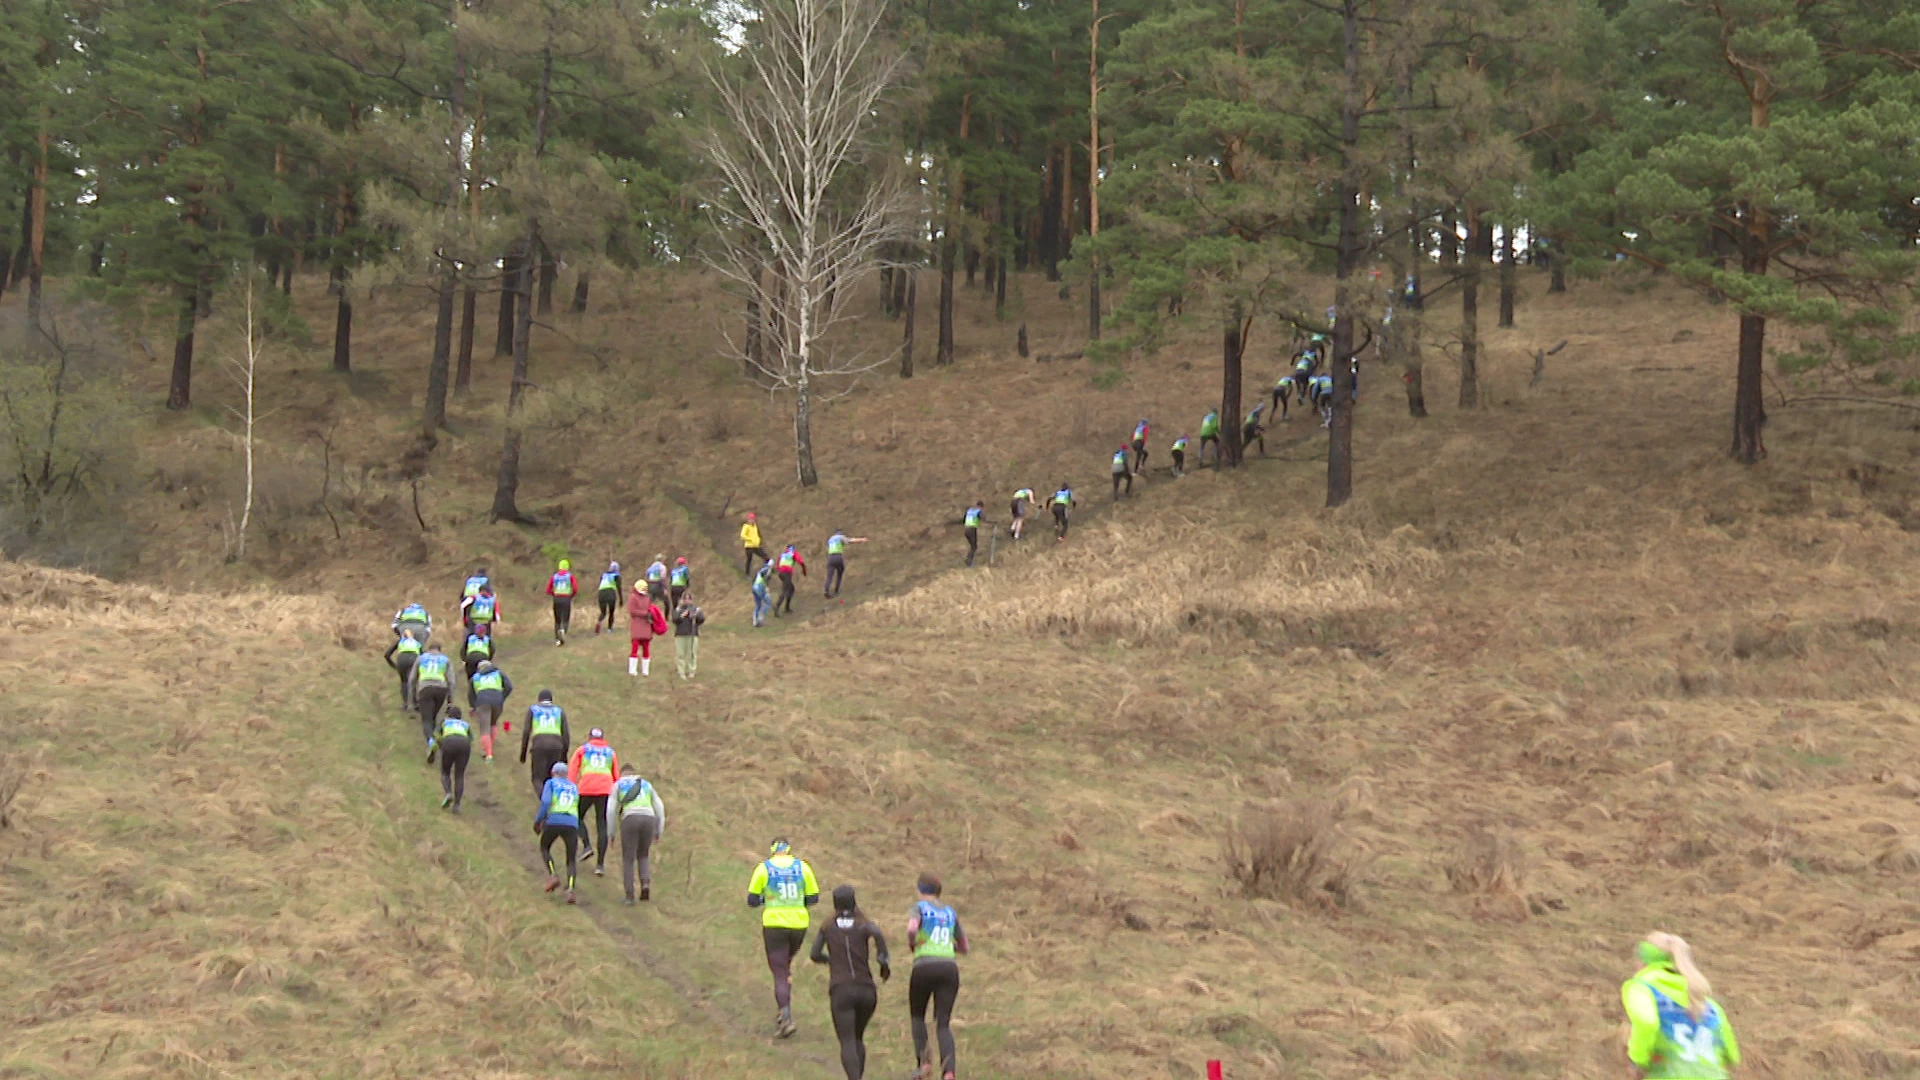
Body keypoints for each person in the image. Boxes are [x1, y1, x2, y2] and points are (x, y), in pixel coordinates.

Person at [1622, 932, 1740, 1079]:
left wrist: (1637, 1061)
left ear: (1641, 961)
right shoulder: (1708, 1004)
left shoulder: (1642, 988)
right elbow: (1732, 1056)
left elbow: (1647, 1022)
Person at [810, 884, 890, 1080]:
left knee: (847, 1041)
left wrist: (830, 961)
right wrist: (883, 961)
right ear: (854, 902)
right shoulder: (864, 924)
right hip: (866, 990)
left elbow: (814, 954)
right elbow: (877, 933)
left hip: (841, 989)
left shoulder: (827, 927)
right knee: (858, 1038)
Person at [746, 838, 820, 1038]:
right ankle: (783, 1008)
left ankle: (786, 1017)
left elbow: (752, 901)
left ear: (772, 851)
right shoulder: (802, 867)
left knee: (779, 971)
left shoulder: (764, 868)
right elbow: (813, 898)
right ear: (788, 850)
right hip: (799, 924)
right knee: (785, 966)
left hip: (774, 924)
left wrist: (768, 898)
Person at [905, 873, 969, 1080]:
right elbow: (964, 946)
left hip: (924, 966)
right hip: (949, 968)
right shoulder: (950, 913)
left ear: (920, 890)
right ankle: (949, 1072)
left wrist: (912, 943)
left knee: (917, 1016)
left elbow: (912, 928)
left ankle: (924, 1063)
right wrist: (949, 948)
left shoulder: (919, 908)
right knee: (943, 1023)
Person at [569, 727, 619, 876]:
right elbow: (616, 776)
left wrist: (571, 788)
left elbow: (572, 771)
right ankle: (600, 865)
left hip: (586, 788)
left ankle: (586, 845)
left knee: (575, 815)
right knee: (601, 824)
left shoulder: (582, 750)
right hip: (605, 789)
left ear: (589, 737)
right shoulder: (611, 752)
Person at [614, 765, 665, 905]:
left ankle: (629, 895)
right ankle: (645, 884)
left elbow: (610, 809)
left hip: (630, 818)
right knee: (643, 854)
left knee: (628, 858)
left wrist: (611, 832)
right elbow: (659, 807)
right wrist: (659, 830)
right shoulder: (646, 784)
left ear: (622, 774)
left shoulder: (619, 784)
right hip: (649, 818)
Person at [534, 761, 581, 904]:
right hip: (571, 822)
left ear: (553, 773)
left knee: (545, 847)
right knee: (571, 858)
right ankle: (571, 889)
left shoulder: (551, 783)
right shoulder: (573, 787)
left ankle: (553, 875)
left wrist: (539, 820)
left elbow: (546, 802)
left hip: (554, 819)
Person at [519, 689, 571, 796]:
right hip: (557, 746)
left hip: (539, 745)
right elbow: (566, 734)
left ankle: (546, 802)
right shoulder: (559, 711)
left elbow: (526, 732)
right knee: (552, 777)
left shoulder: (533, 710)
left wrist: (523, 753)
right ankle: (555, 801)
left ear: (539, 700)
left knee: (537, 778)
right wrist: (564, 754)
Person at [466, 659, 513, 761]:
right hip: (497, 700)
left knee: (484, 729)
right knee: (493, 723)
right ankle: (489, 747)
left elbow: (471, 695)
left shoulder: (475, 677)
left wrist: (473, 707)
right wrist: (502, 697)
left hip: (482, 701)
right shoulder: (498, 673)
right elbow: (509, 686)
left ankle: (488, 754)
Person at [411, 644, 453, 748]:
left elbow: (412, 679)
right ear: (440, 650)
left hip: (425, 688)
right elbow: (452, 681)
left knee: (426, 719)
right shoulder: (445, 659)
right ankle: (437, 739)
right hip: (441, 689)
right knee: (433, 716)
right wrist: (450, 701)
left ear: (428, 650)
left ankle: (431, 741)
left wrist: (412, 700)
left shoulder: (421, 658)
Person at [436, 706, 472, 812]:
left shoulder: (445, 721)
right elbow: (471, 739)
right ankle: (457, 805)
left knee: (445, 772)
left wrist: (441, 747)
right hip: (464, 744)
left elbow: (437, 736)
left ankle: (448, 793)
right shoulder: (466, 724)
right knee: (459, 775)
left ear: (449, 715)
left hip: (449, 742)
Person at [627, 582, 665, 676]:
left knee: (646, 648)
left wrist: (651, 614)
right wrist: (645, 613)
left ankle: (645, 670)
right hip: (637, 625)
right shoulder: (633, 597)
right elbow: (632, 611)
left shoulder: (647, 597)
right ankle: (632, 670)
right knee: (635, 647)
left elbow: (650, 608)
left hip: (646, 625)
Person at [383, 627, 422, 712]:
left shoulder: (400, 641)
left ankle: (406, 704)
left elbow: (386, 655)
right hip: (414, 659)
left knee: (404, 681)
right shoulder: (417, 643)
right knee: (414, 681)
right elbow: (423, 656)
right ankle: (415, 703)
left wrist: (394, 665)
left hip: (402, 659)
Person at [824, 529, 867, 598]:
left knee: (830, 576)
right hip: (838, 557)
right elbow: (851, 540)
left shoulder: (830, 539)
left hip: (830, 558)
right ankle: (836, 591)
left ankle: (826, 590)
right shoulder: (840, 537)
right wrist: (862, 539)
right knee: (840, 573)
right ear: (840, 533)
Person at [673, 592, 706, 679]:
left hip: (692, 634)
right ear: (682, 600)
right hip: (680, 634)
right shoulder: (678, 609)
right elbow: (674, 620)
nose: (687, 600)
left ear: (692, 600)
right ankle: (681, 672)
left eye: (689, 599)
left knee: (692, 653)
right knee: (680, 654)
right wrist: (682, 616)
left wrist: (696, 616)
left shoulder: (696, 609)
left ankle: (692, 671)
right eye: (685, 599)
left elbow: (701, 620)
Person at [546, 559, 578, 646]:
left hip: (556, 598)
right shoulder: (570, 576)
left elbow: (548, 590)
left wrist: (554, 594)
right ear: (567, 567)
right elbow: (575, 588)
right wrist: (571, 595)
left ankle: (557, 640)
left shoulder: (554, 576)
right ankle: (563, 630)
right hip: (566, 598)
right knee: (566, 618)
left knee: (557, 620)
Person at [774, 545, 806, 617]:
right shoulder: (793, 553)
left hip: (781, 574)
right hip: (787, 573)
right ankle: (777, 606)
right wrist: (804, 570)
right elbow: (801, 562)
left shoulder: (782, 554)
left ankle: (787, 608)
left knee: (791, 589)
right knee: (785, 590)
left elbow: (777, 566)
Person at [593, 561, 622, 634]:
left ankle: (599, 622)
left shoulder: (603, 575)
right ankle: (609, 629)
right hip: (610, 593)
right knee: (611, 612)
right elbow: (619, 588)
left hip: (601, 593)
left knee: (603, 612)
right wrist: (621, 599)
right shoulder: (617, 576)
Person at [458, 567, 490, 631]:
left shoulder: (470, 580)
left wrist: (462, 599)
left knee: (469, 621)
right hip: (478, 601)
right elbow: (489, 592)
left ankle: (469, 633)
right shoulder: (484, 580)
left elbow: (463, 592)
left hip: (467, 601)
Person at [752, 560, 776, 627]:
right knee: (768, 602)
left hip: (754, 587)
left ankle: (755, 622)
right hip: (760, 587)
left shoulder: (762, 569)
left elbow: (756, 578)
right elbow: (765, 576)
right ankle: (761, 616)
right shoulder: (767, 569)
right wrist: (766, 587)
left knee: (758, 605)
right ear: (771, 565)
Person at [962, 502, 986, 567]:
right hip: (972, 530)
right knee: (974, 547)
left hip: (966, 529)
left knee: (972, 546)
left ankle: (968, 559)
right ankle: (969, 561)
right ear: (981, 506)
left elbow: (963, 520)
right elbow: (984, 518)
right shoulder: (979, 511)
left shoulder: (969, 511)